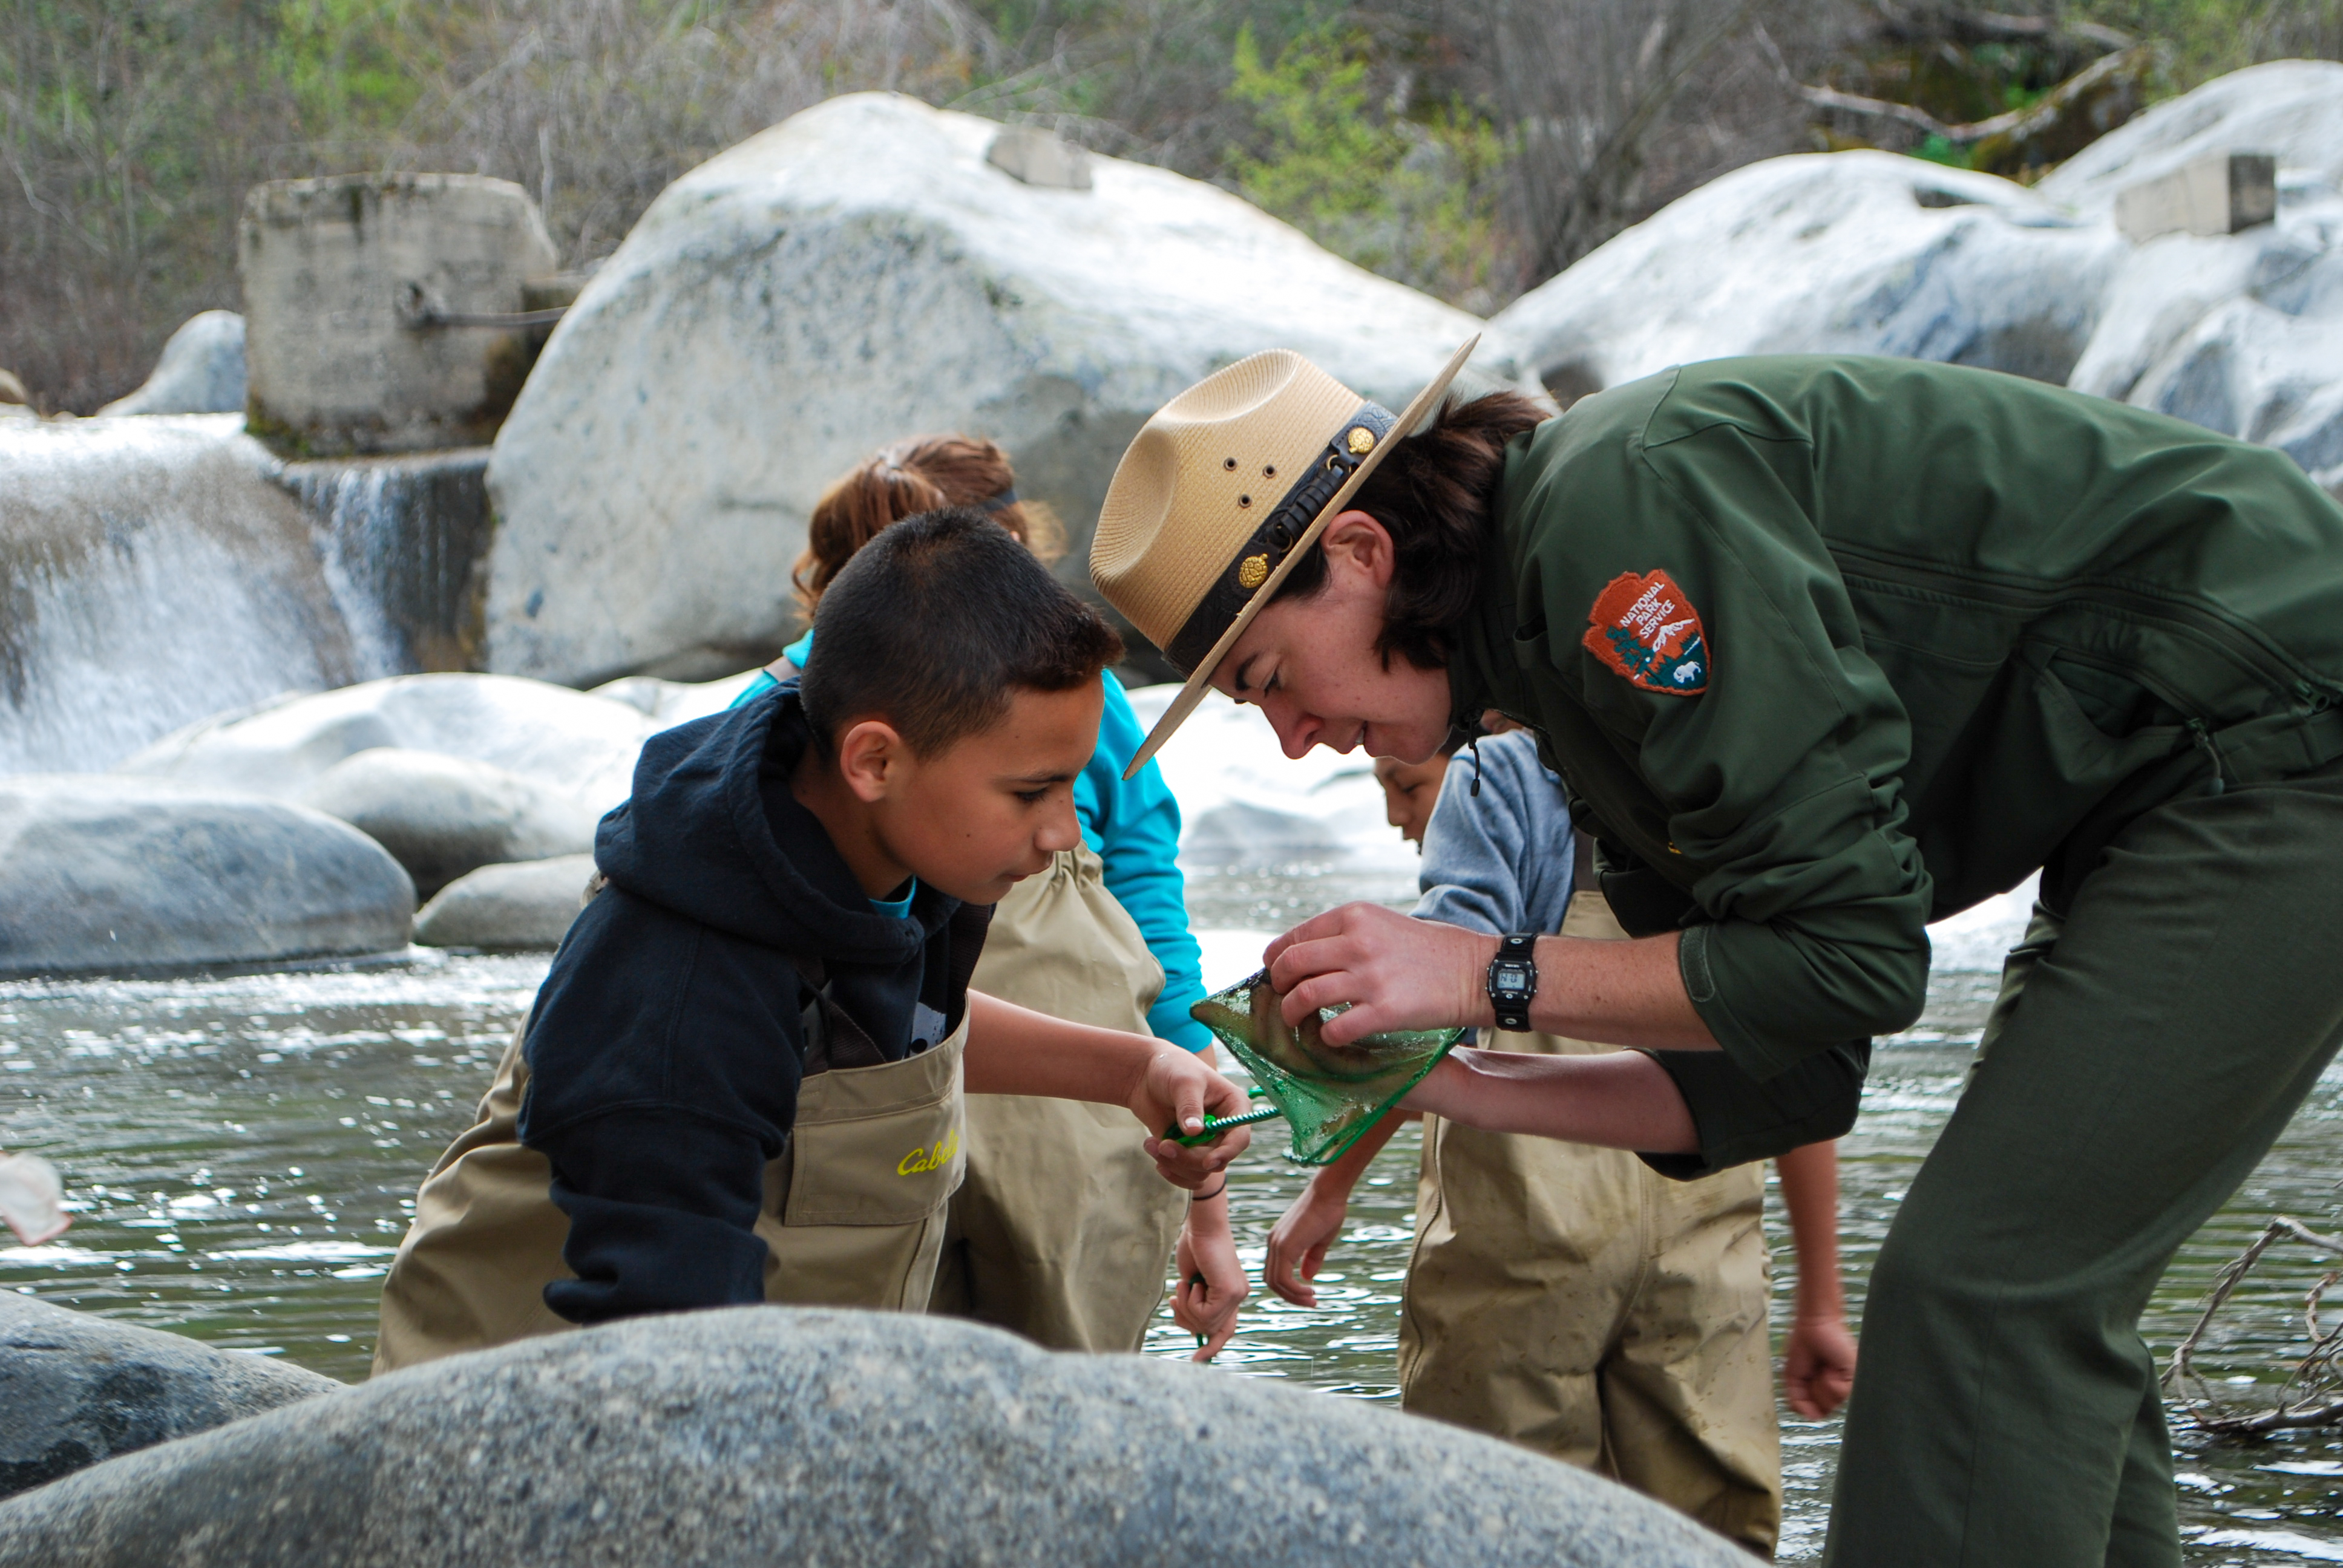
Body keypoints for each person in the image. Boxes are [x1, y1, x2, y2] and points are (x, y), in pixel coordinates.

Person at [1086, 344, 2343, 1566]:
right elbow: (1785, 1069)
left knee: (1980, 1300)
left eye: (1267, 680)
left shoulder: (1611, 518)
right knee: (2032, 1303)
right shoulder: (1552, 687)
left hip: (2273, 716)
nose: (1298, 741)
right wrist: (1440, 1076)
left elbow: (1853, 960)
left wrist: (1479, 970)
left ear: (1360, 556)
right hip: (2157, 784)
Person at [372, 508, 1249, 1371]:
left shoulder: (897, 862)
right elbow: (669, 1364)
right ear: (874, 762)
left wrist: (1131, 1069)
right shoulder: (682, 991)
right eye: (1032, 793)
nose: (1066, 832)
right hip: (535, 1439)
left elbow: (890, 1025)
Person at [1268, 730, 1853, 1553]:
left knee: (1501, 1526)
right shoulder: (1731, 772)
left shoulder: (1492, 780)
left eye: (1405, 788)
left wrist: (1328, 1182)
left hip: (1522, 1246)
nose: (1402, 818)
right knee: (1709, 1538)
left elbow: (1425, 1028)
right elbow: (1794, 1067)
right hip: (1705, 1254)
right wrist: (1821, 1300)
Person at [735, 434, 1241, 1359]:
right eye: (1025, 795)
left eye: (1061, 793)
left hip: (879, 1145)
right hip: (1051, 1145)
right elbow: (1149, 887)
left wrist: (1170, 1105)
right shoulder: (1056, 697)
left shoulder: (759, 731)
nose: (1053, 832)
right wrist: (1204, 1185)